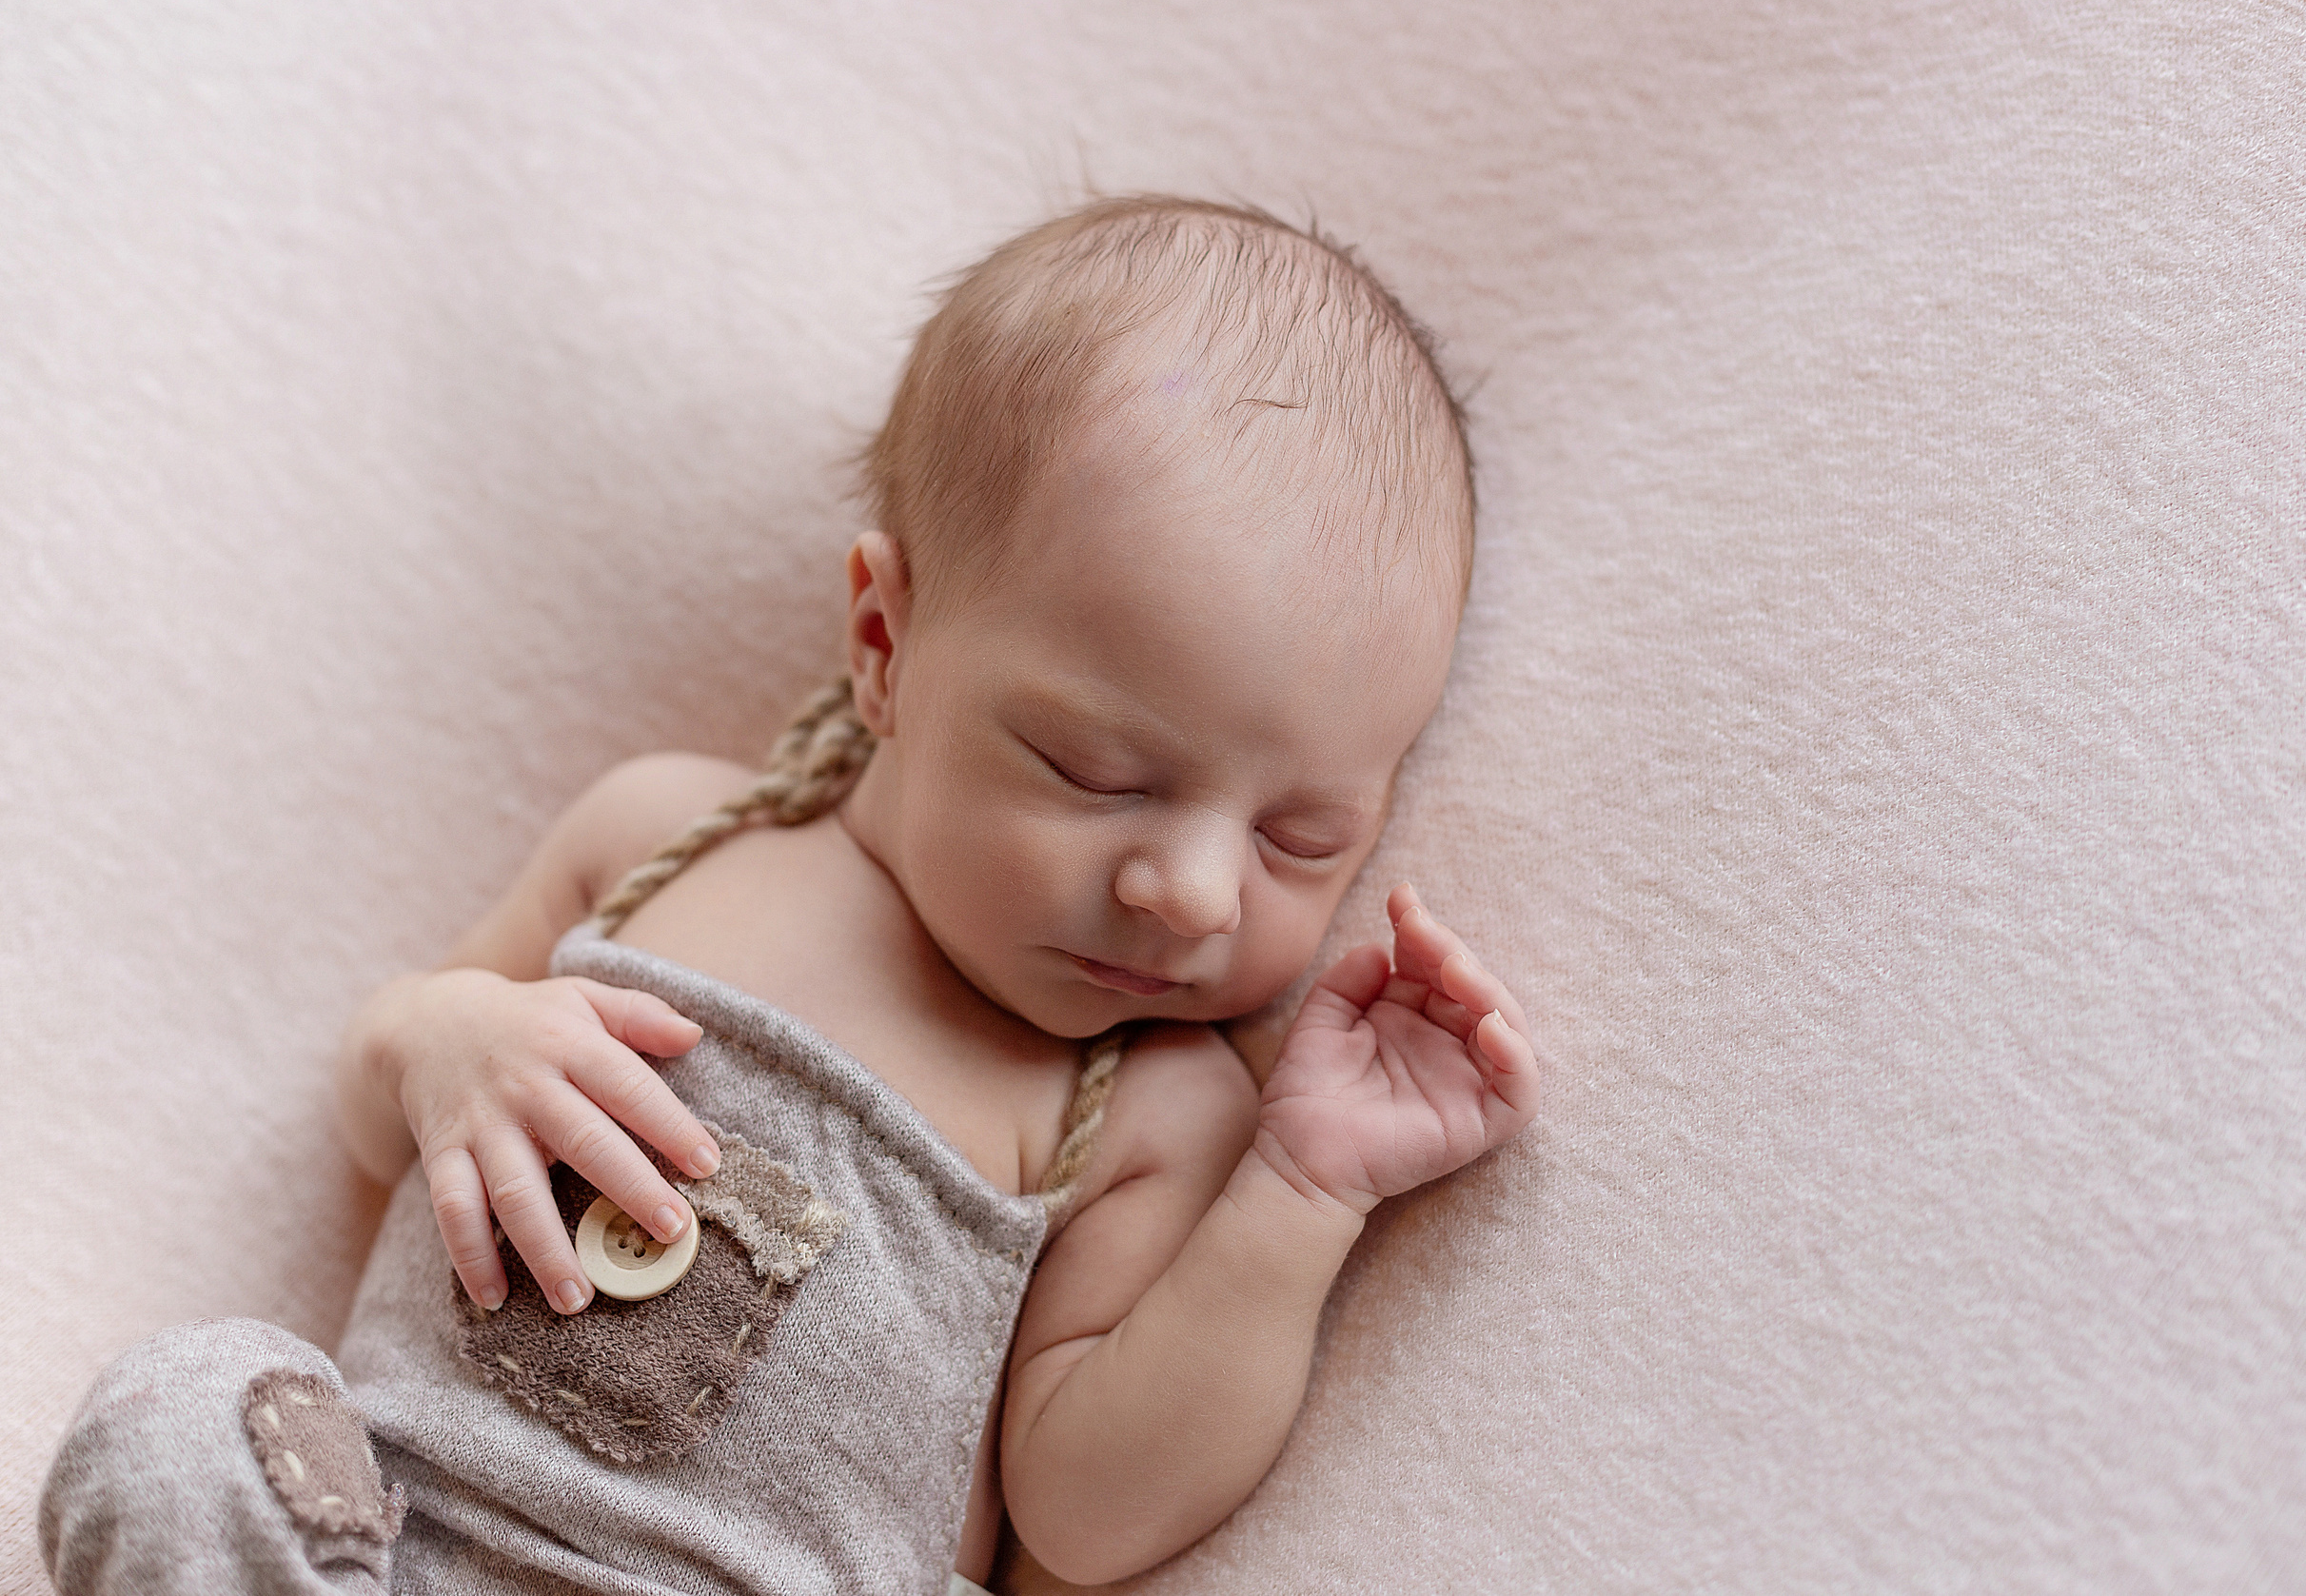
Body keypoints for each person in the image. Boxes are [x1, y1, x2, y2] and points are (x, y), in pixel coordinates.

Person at [41, 194, 1540, 1595]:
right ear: (886, 645)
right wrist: (449, 1042)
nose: (1195, 893)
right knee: (181, 1413)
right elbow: (374, 1114)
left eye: (1302, 836)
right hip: (397, 1531)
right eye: (1095, 771)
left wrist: (1305, 1193)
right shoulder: (665, 837)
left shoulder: (1151, 1107)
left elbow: (1085, 1518)